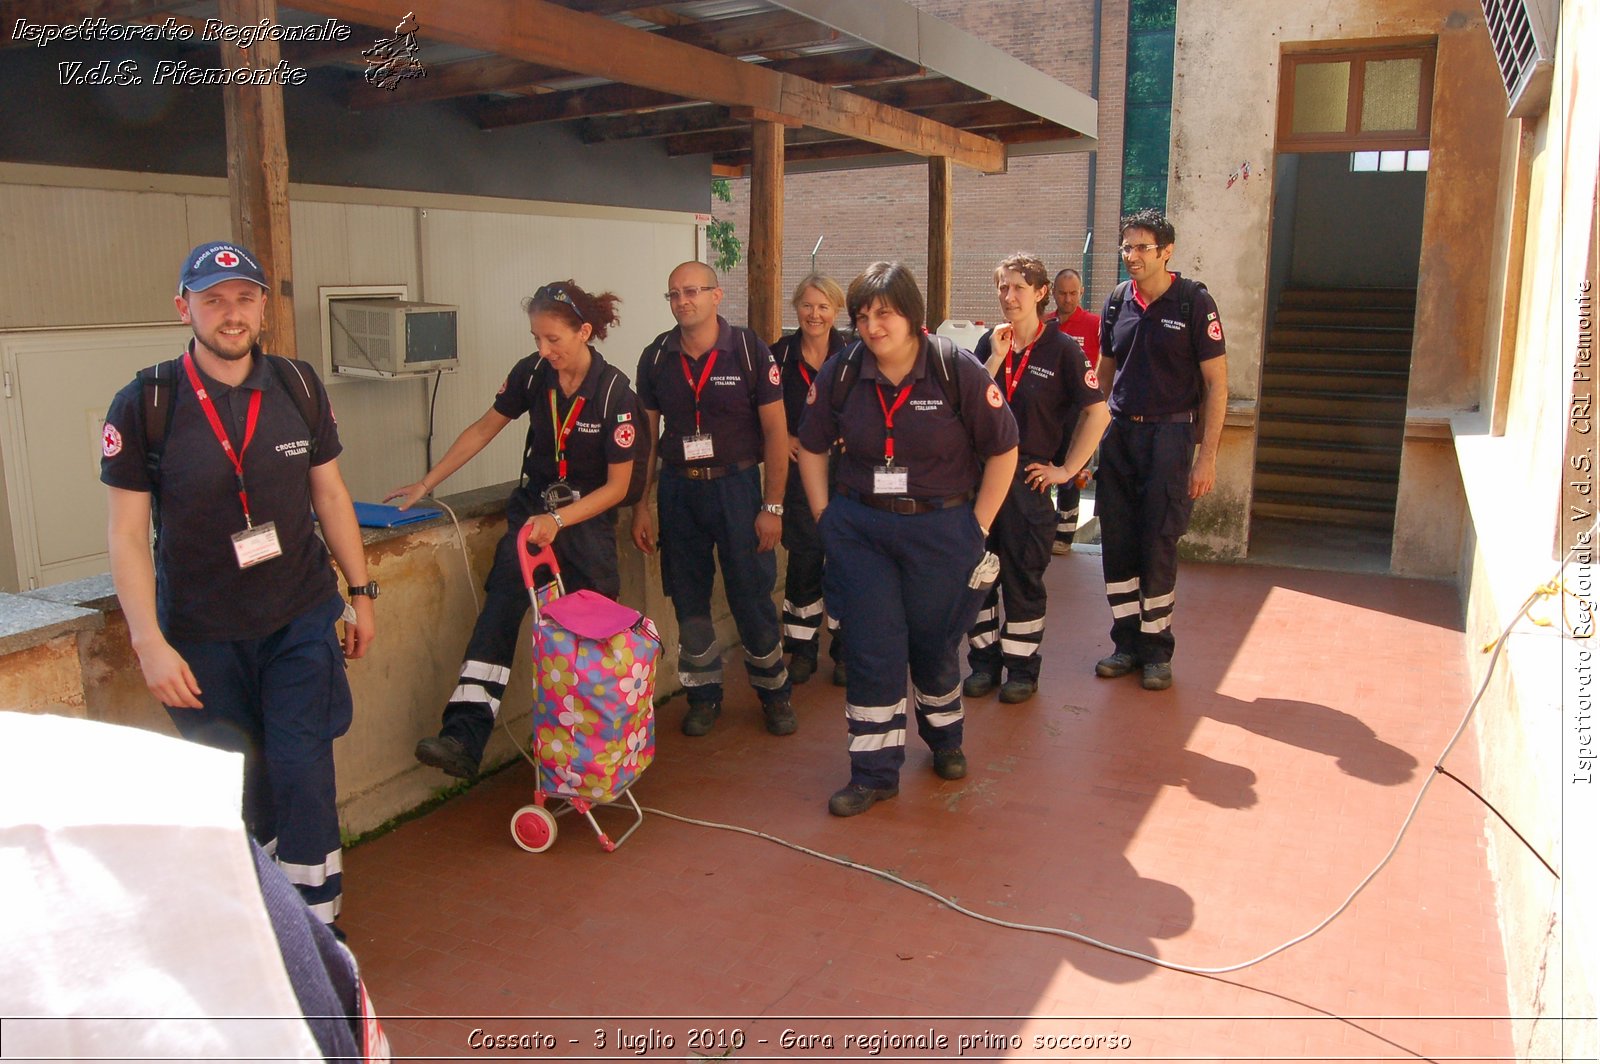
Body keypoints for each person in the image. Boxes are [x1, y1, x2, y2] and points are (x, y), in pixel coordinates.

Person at [102, 240, 377, 925]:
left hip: (299, 616)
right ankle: (262, 920)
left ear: (264, 307)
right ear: (183, 307)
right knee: (238, 785)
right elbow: (128, 534)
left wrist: (362, 592)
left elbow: (332, 497)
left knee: (302, 767)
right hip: (201, 635)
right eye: (213, 299)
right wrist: (149, 644)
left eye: (245, 298)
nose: (232, 313)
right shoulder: (146, 403)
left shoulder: (298, 386)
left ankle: (317, 924)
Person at [388, 281, 642, 779]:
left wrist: (561, 520)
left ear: (584, 332)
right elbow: (485, 427)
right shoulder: (532, 375)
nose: (543, 350)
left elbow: (618, 488)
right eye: (536, 339)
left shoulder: (615, 394)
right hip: (533, 515)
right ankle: (463, 737)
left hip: (585, 524)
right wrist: (428, 480)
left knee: (586, 641)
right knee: (500, 610)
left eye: (553, 339)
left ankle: (591, 759)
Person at [797, 262, 1018, 817]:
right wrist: (827, 518)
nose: (873, 327)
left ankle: (945, 739)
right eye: (864, 316)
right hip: (862, 530)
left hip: (942, 531)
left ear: (912, 316)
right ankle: (873, 773)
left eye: (885, 313)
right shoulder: (842, 372)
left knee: (934, 642)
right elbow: (813, 446)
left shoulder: (955, 369)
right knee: (873, 647)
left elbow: (1004, 449)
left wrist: (979, 524)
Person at [630, 262, 795, 738]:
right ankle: (703, 695)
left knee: (751, 595)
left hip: (738, 490)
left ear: (717, 296)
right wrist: (643, 505)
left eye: (692, 291)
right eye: (674, 293)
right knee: (688, 598)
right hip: (679, 491)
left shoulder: (747, 350)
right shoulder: (657, 355)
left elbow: (776, 432)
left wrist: (773, 507)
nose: (683, 301)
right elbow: (647, 438)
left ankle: (774, 693)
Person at [964, 254, 1109, 703]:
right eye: (1003, 288)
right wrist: (996, 358)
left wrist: (1065, 470)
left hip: (1028, 482)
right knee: (976, 575)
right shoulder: (990, 341)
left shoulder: (1062, 349)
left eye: (1018, 288)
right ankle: (983, 664)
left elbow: (1098, 412)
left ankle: (1022, 669)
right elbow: (965, 406)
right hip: (983, 477)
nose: (1009, 297)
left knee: (1023, 577)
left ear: (1041, 293)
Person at [1093, 209, 1228, 691]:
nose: (1131, 256)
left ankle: (1156, 650)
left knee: (1159, 543)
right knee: (1119, 542)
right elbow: (1103, 377)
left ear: (1166, 251)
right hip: (1120, 436)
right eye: (1126, 247)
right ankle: (1125, 643)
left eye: (1141, 248)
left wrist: (1206, 456)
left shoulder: (1193, 302)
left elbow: (1217, 384)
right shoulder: (1115, 303)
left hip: (1171, 439)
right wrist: (1090, 444)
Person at [769, 273, 849, 688]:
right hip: (801, 480)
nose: (814, 314)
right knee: (803, 563)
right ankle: (800, 651)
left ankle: (845, 650)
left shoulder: (855, 354)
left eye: (823, 307)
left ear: (835, 311)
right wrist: (782, 439)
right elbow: (759, 409)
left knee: (847, 564)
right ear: (795, 308)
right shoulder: (777, 356)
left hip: (849, 479)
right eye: (807, 305)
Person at [1049, 267, 1103, 554]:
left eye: (1073, 293)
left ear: (1081, 293)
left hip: (1078, 411)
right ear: (1052, 293)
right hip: (1046, 412)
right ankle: (1044, 527)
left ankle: (1065, 535)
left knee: (1071, 468)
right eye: (1062, 293)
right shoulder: (1043, 324)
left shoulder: (1095, 325)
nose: (1067, 299)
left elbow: (1104, 368)